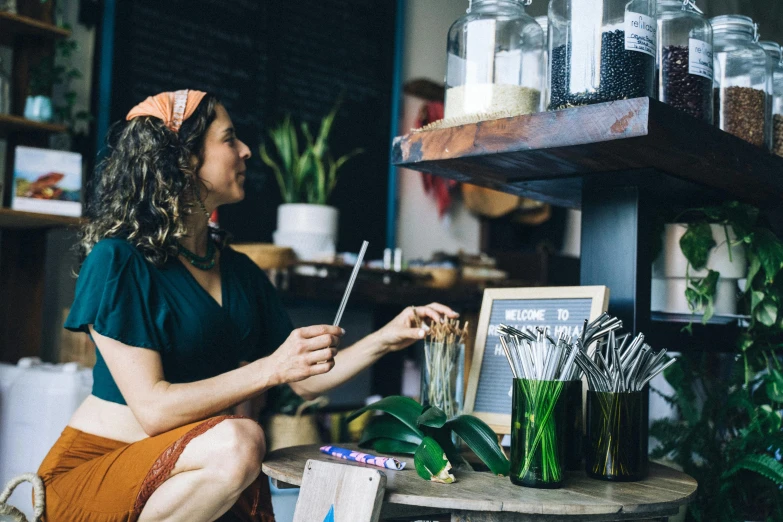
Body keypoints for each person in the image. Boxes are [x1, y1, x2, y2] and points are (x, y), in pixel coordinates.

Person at [37, 89, 457, 522]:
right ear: (182, 159)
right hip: (99, 472)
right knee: (239, 442)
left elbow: (306, 381)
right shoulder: (118, 261)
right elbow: (155, 411)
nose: (245, 150)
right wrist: (272, 367)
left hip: (191, 472)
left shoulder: (239, 271)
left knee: (236, 445)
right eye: (229, 138)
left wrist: (388, 337)